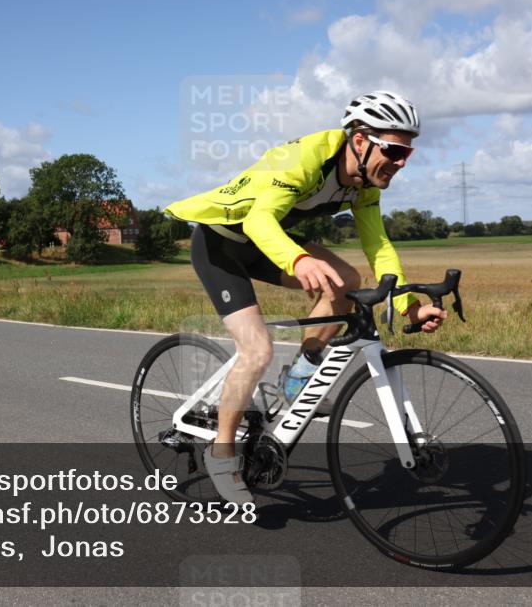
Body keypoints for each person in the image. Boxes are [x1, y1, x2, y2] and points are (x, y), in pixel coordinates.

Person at [163, 91, 447, 504]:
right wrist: (297, 259)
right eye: (396, 150)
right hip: (222, 245)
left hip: (265, 244)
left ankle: (295, 379)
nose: (403, 162)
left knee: (346, 280)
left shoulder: (365, 184)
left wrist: (408, 304)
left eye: (409, 151)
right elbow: (259, 219)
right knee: (257, 349)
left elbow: (379, 247)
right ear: (361, 140)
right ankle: (221, 451)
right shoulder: (303, 158)